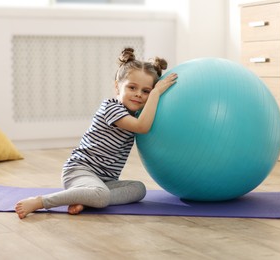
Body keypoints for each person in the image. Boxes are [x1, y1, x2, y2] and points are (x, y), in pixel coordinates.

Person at [15, 47, 177, 219]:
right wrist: (156, 94)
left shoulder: (136, 113)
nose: (138, 94)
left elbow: (146, 121)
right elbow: (142, 127)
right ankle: (41, 201)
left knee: (139, 189)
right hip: (80, 171)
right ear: (117, 86)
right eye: (132, 87)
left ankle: (86, 198)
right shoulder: (111, 108)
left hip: (106, 180)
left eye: (146, 91)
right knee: (101, 195)